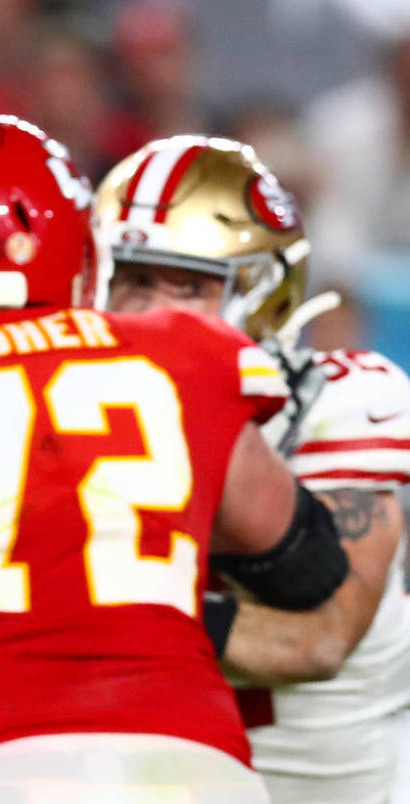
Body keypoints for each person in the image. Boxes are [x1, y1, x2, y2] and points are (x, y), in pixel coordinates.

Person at [0, 113, 353, 803]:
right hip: (195, 766)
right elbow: (310, 569)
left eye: (186, 283)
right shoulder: (187, 352)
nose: (157, 300)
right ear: (83, 251)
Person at [98, 134, 410, 804]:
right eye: (132, 280)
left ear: (264, 294)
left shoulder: (339, 404)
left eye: (188, 286)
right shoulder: (66, 413)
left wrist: (96, 608)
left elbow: (319, 639)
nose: (148, 312)